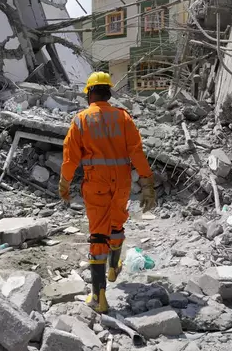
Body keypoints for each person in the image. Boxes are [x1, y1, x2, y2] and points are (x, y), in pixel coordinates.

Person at [58, 71, 156, 313]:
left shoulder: (81, 120)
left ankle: (99, 298)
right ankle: (113, 268)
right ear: (109, 92)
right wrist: (147, 184)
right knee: (117, 224)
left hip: (97, 184)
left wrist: (64, 183)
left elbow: (70, 158)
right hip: (122, 182)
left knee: (98, 236)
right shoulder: (123, 118)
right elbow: (137, 153)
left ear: (90, 93)